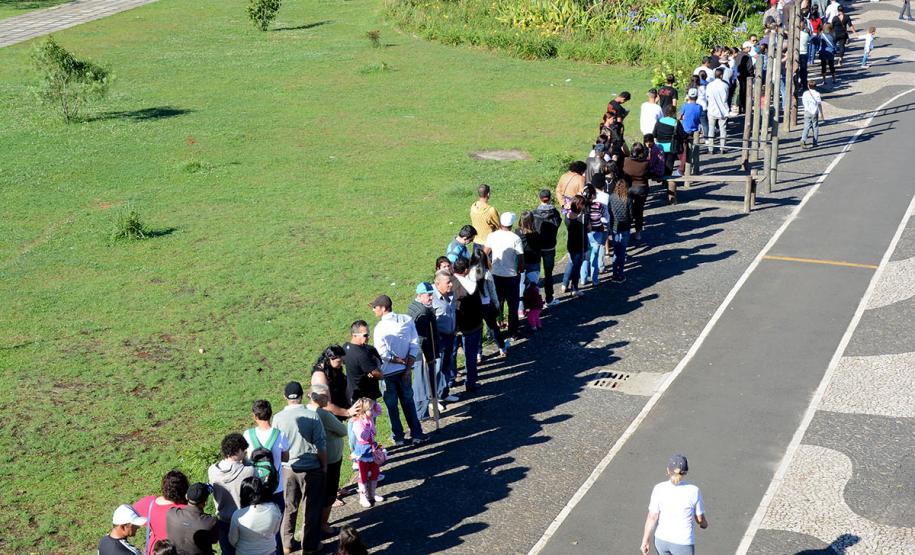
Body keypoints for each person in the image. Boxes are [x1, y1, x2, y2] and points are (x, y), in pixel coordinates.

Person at [271, 381, 327, 555]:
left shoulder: (278, 418)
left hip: (288, 469)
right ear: (302, 396)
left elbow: (277, 446)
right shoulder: (312, 416)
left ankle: (286, 544)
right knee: (311, 508)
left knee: (289, 506)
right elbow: (321, 446)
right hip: (311, 468)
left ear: (285, 397)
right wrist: (324, 466)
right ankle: (309, 546)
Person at [368, 293, 427, 445]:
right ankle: (417, 434)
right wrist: (407, 367)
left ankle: (398, 437)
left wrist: (399, 361)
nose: (373, 310)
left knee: (392, 407)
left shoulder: (380, 328)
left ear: (383, 308)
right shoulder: (407, 319)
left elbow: (382, 354)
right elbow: (414, 345)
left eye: (375, 307)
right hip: (405, 371)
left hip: (387, 373)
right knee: (409, 403)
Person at [244, 400, 289, 554]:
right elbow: (286, 458)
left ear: (254, 416)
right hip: (276, 488)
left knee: (258, 529)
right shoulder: (280, 434)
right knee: (276, 529)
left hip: (255, 488)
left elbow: (246, 459)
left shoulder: (248, 435)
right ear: (270, 414)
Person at [640, 455, 708, 555]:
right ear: (685, 472)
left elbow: (652, 517)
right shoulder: (694, 491)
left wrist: (645, 541)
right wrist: (704, 524)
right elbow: (700, 518)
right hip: (683, 543)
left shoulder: (658, 488)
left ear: (668, 470)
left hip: (661, 540)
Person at [305, 384, 348, 538]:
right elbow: (343, 430)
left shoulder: (306, 410)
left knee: (316, 494)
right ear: (317, 397)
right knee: (329, 494)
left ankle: (315, 525)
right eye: (325, 396)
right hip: (330, 459)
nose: (328, 399)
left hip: (314, 459)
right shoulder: (323, 414)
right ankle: (323, 526)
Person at [208, 435, 254, 555]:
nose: (244, 453)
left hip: (223, 521)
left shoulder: (212, 470)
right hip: (244, 521)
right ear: (238, 450)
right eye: (243, 451)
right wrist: (245, 460)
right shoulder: (248, 471)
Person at [484, 212, 524, 339]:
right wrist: (520, 270)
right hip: (511, 276)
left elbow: (484, 253)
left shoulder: (492, 236)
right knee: (513, 305)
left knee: (497, 302)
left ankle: (497, 326)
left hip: (496, 274)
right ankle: (513, 331)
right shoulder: (515, 238)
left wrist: (489, 265)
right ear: (511, 224)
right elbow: (520, 258)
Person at [407, 281, 445, 417]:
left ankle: (423, 412)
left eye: (431, 294)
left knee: (424, 384)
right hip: (423, 354)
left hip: (422, 353)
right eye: (428, 295)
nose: (431, 297)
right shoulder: (422, 312)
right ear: (419, 295)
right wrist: (430, 357)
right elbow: (422, 338)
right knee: (422, 386)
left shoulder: (414, 306)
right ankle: (421, 415)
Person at [134, 470, 189, 555]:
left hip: (155, 550)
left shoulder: (150, 503)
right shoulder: (186, 510)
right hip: (176, 551)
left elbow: (130, 512)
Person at [451, 257, 484, 391]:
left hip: (454, 327)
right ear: (466, 270)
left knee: (451, 355)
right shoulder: (472, 283)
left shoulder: (450, 283)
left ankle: (450, 380)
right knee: (470, 356)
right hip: (472, 326)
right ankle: (471, 382)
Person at [229, 477, 282, 555]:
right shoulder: (275, 508)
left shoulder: (238, 515)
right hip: (270, 551)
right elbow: (275, 531)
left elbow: (232, 540)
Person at [349, 398, 385, 508]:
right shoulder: (357, 423)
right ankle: (363, 496)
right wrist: (367, 426)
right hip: (363, 451)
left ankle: (372, 494)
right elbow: (363, 437)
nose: (373, 411)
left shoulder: (370, 417)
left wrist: (374, 404)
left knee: (375, 472)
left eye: (373, 408)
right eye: (371, 409)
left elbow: (379, 411)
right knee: (363, 475)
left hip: (372, 448)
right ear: (363, 411)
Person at [166, 482, 219, 555]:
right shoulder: (210, 522)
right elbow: (214, 540)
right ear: (205, 503)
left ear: (186, 496)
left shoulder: (171, 513)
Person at [430, 271, 459, 402]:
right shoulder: (431, 298)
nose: (451, 284)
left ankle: (444, 393)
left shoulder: (451, 294)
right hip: (439, 339)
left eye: (451, 281)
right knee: (437, 368)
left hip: (451, 336)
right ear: (438, 284)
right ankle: (434, 399)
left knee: (447, 365)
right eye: (448, 282)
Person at [532, 189, 562, 306]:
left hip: (537, 248)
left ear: (540, 198)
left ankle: (534, 301)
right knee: (548, 274)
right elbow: (558, 224)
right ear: (550, 198)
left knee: (534, 275)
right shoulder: (555, 213)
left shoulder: (534, 213)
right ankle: (549, 298)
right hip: (550, 247)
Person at [653, 104, 687, 204]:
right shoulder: (676, 123)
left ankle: (663, 179)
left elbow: (654, 134)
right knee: (669, 164)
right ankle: (667, 180)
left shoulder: (659, 122)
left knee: (661, 163)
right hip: (671, 147)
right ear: (674, 113)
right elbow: (682, 135)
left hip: (660, 146)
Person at [343, 320, 383, 404]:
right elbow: (378, 374)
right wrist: (376, 374)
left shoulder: (346, 347)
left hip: (352, 394)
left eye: (368, 334)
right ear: (354, 335)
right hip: (365, 399)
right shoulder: (362, 354)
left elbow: (345, 362)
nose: (368, 337)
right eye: (365, 335)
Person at [311, 346, 351, 418]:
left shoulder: (333, 368)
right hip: (328, 417)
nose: (341, 364)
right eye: (339, 361)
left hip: (338, 414)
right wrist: (347, 412)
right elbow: (325, 404)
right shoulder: (319, 376)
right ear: (330, 359)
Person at [561, 195, 589, 297]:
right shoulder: (583, 217)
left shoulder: (567, 217)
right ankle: (574, 288)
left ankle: (564, 284)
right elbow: (589, 228)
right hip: (580, 245)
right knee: (577, 267)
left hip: (571, 244)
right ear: (579, 205)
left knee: (570, 263)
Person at [623, 142, 650, 242]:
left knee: (627, 210)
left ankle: (626, 231)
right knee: (639, 211)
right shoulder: (646, 163)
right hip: (641, 188)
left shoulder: (626, 161)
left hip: (629, 188)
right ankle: (638, 233)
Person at [608, 179, 633, 283]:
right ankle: (621, 274)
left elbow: (609, 212)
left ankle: (614, 274)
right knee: (622, 252)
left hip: (615, 227)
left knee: (616, 251)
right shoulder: (628, 199)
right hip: (625, 227)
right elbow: (631, 214)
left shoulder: (611, 197)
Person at [517, 211, 542, 308]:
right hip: (533, 262)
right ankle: (533, 306)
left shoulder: (517, 232)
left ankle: (521, 308)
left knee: (521, 286)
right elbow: (539, 249)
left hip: (521, 262)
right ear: (532, 221)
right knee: (533, 286)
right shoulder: (536, 234)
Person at [705, 68, 730, 154]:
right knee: (723, 129)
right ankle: (722, 147)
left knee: (711, 129)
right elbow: (726, 97)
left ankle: (710, 148)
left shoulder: (709, 85)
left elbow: (707, 97)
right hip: (723, 110)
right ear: (721, 75)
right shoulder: (725, 85)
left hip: (712, 109)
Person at [801, 80, 824, 148]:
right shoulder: (817, 94)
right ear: (815, 86)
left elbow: (803, 102)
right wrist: (821, 113)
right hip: (815, 112)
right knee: (815, 127)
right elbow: (819, 104)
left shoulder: (805, 93)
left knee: (806, 127)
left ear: (808, 86)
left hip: (807, 111)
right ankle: (815, 142)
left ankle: (803, 140)